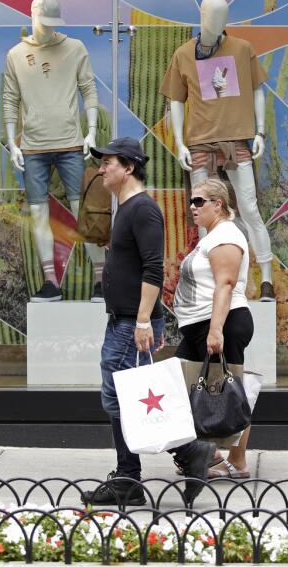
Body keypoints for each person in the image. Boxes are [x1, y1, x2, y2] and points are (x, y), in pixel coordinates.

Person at [80, 137, 215, 507]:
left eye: (108, 162)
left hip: (131, 324)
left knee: (121, 399)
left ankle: (133, 477)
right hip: (123, 321)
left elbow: (154, 269)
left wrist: (142, 321)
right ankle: (182, 456)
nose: (102, 168)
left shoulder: (143, 210)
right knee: (126, 398)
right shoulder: (125, 207)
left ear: (128, 167)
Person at [171, 176, 256, 480]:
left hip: (222, 322)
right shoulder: (212, 235)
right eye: (191, 201)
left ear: (218, 204)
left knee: (227, 392)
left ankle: (226, 460)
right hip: (202, 324)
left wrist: (216, 330)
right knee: (214, 389)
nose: (192, 207)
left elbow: (226, 284)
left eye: (199, 201)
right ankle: (222, 459)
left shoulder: (226, 236)